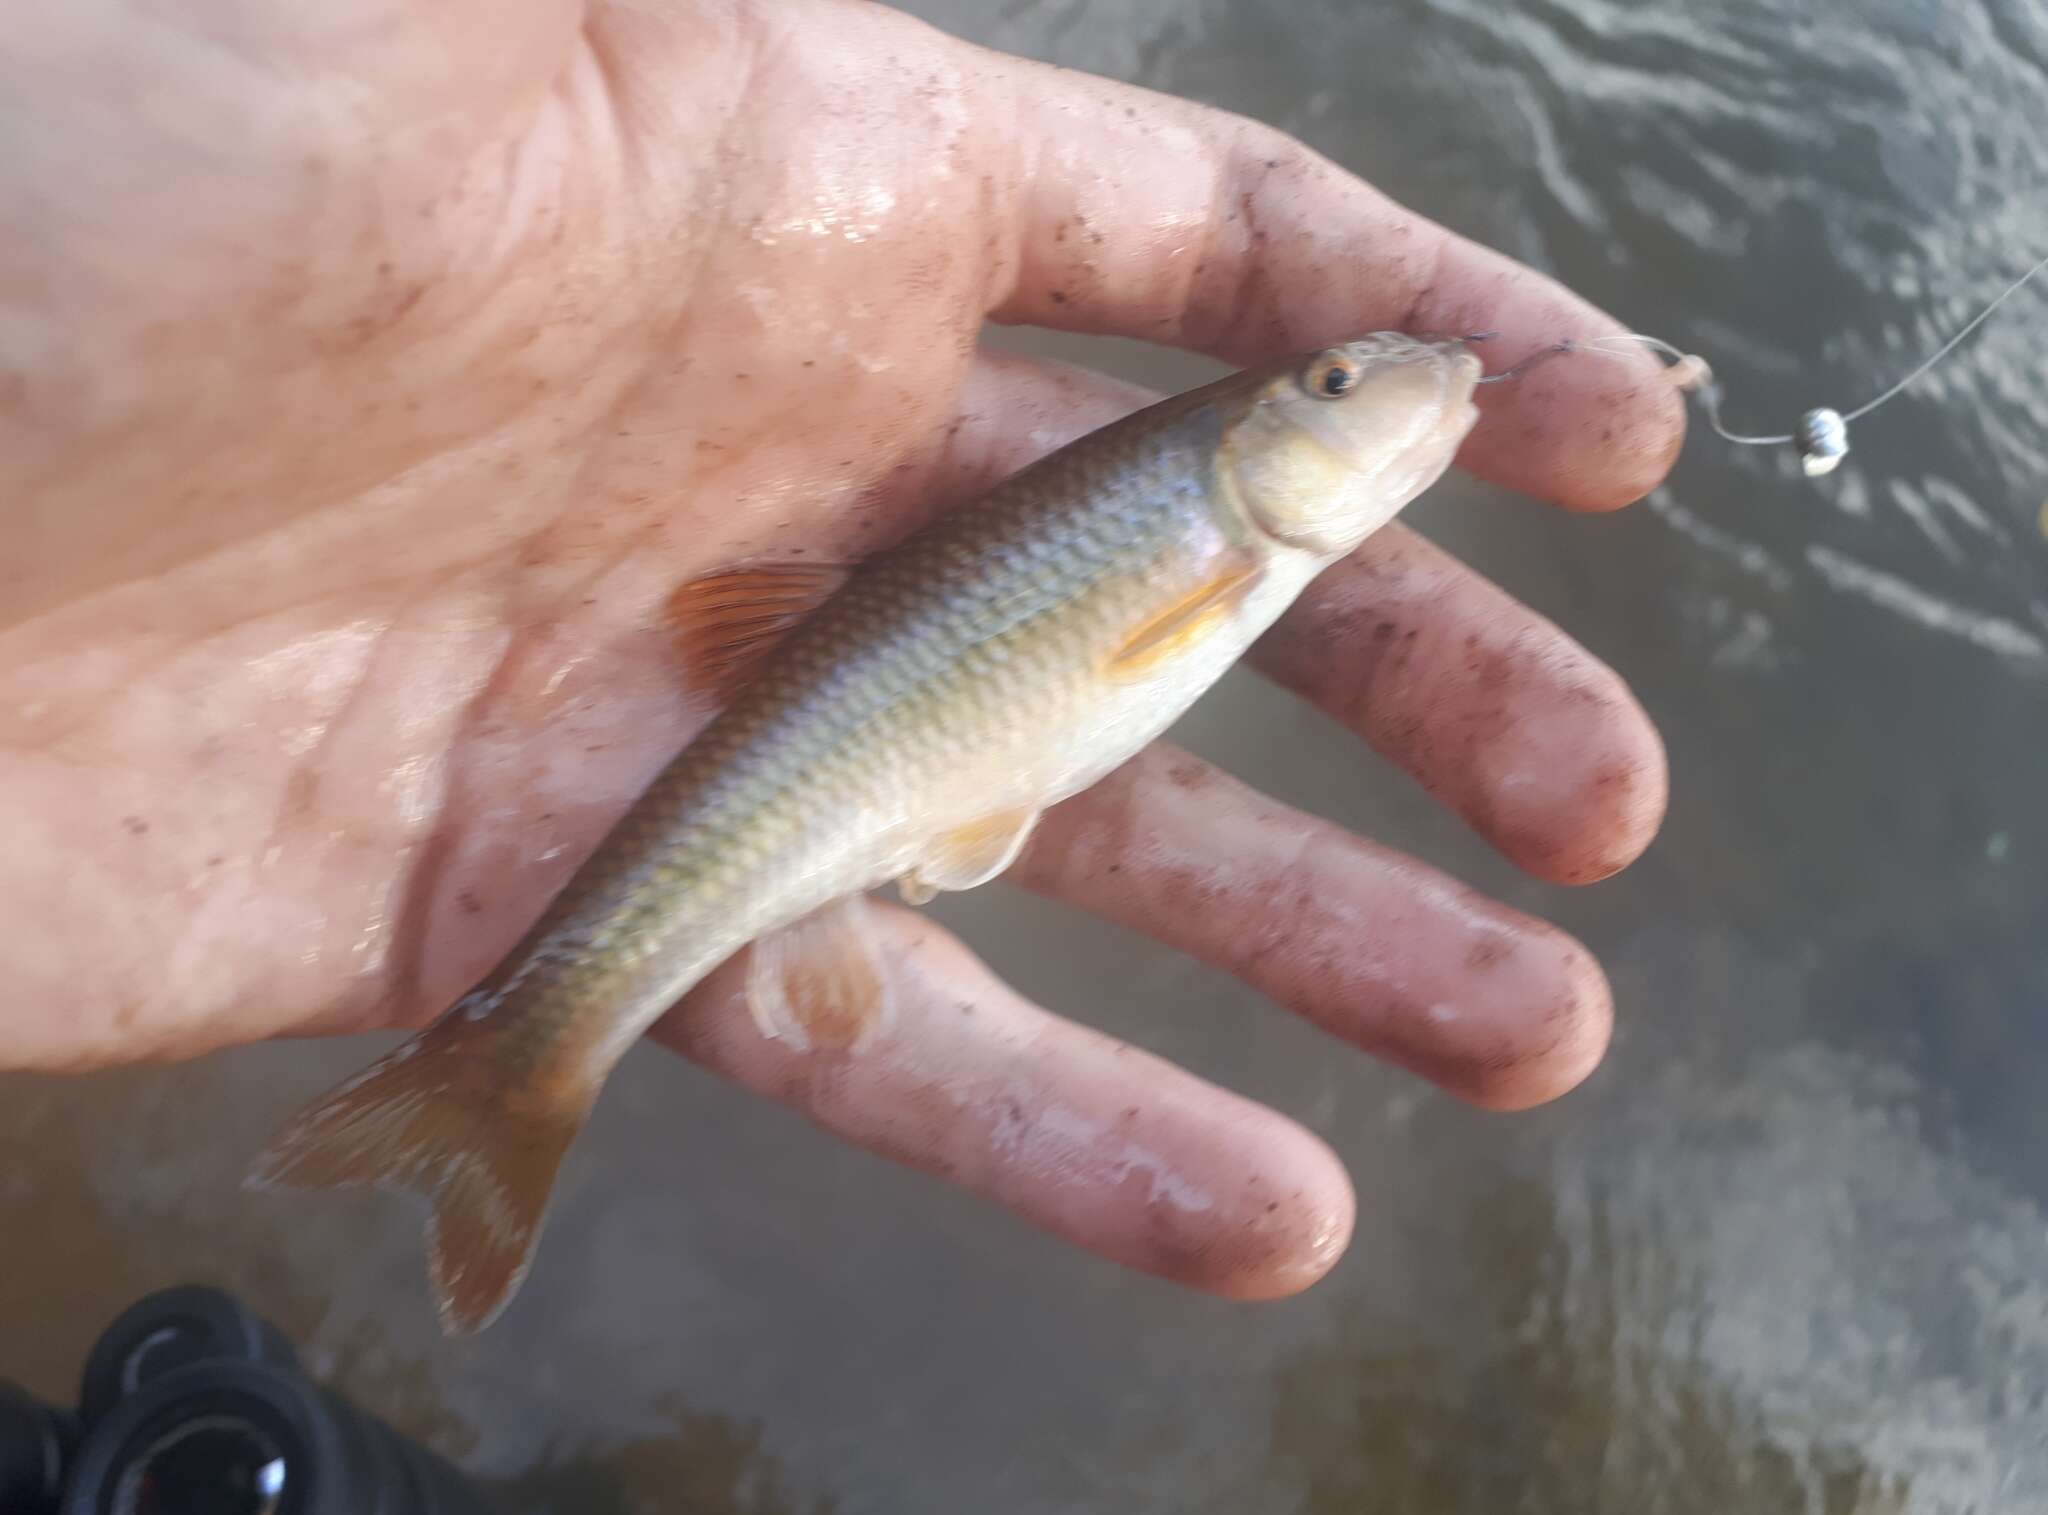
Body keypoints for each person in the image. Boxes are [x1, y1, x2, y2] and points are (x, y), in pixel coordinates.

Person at [1, 0, 1680, 1300]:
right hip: (853, 731)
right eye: (1326, 386)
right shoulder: (1207, 515)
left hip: (870, 728)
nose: (1367, 377)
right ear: (1252, 444)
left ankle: (516, 1061)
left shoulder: (1227, 529)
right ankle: (518, 1056)